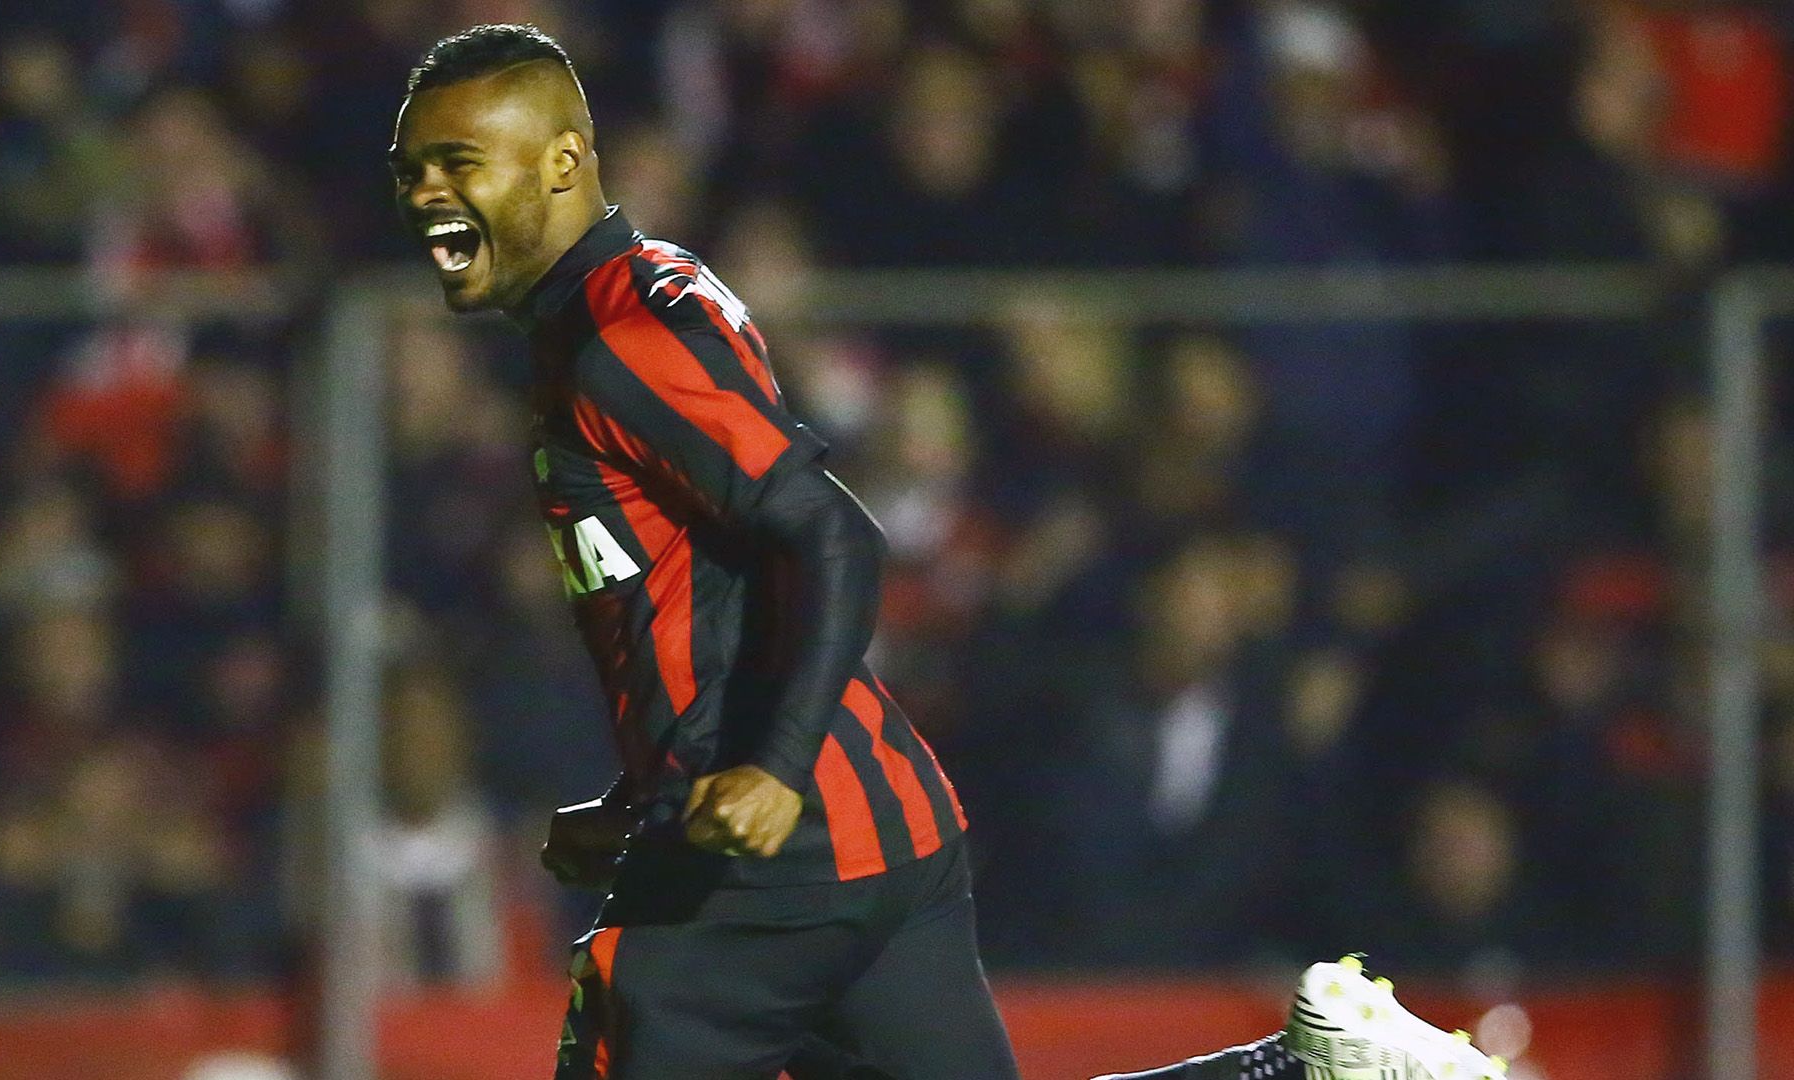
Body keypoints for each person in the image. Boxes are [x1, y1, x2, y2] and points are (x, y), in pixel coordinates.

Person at [389, 23, 1508, 1080]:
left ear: (561, 161)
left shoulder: (616, 346)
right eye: (414, 167)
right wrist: (651, 797)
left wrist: (773, 772)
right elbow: (712, 597)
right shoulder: (642, 300)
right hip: (872, 820)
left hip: (795, 846)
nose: (426, 192)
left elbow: (830, 534)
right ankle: (1311, 1066)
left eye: (458, 161)